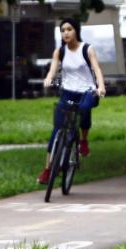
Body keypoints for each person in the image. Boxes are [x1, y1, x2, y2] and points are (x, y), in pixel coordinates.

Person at [38, 17, 106, 184]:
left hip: (87, 91)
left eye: (69, 29)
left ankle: (83, 141)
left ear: (76, 31)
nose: (65, 33)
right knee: (56, 131)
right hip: (68, 91)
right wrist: (48, 79)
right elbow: (53, 69)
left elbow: (96, 68)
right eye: (62, 30)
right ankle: (47, 170)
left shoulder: (87, 49)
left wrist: (101, 87)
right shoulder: (60, 51)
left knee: (84, 109)